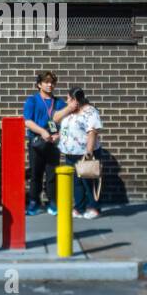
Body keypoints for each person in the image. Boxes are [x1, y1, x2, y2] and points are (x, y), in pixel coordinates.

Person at [54, 87, 104, 219]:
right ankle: (79, 208)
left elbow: (92, 132)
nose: (67, 100)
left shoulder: (90, 111)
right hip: (70, 153)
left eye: (69, 98)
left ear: (75, 99)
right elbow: (55, 118)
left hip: (84, 153)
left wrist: (89, 152)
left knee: (89, 181)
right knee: (76, 182)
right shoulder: (70, 110)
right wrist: (69, 108)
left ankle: (94, 208)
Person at [22, 71, 65, 216]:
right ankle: (34, 202)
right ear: (39, 84)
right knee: (36, 174)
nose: (50, 85)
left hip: (53, 143)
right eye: (46, 82)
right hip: (37, 143)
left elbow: (66, 122)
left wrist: (59, 134)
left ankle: (53, 202)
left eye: (52, 82)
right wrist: (42, 132)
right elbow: (27, 121)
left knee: (52, 174)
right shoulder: (32, 101)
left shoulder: (59, 102)